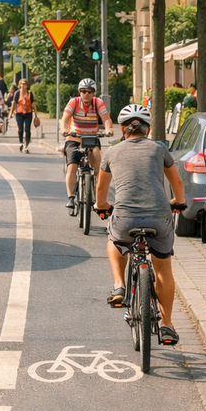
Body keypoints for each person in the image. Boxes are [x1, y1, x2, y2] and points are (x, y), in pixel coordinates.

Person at [94, 104, 185, 346]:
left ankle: (119, 285)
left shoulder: (112, 152)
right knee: (163, 268)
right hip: (159, 216)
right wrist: (179, 202)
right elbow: (176, 180)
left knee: (114, 239)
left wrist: (101, 207)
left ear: (123, 129)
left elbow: (101, 189)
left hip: (125, 217)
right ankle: (166, 325)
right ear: (148, 129)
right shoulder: (160, 148)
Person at [59, 78, 113, 215]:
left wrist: (109, 129)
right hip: (74, 137)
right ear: (79, 92)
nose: (86, 94)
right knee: (72, 167)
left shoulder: (97, 103)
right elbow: (64, 118)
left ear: (94, 93)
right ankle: (71, 197)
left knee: (97, 159)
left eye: (89, 91)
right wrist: (63, 129)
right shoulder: (74, 102)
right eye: (83, 91)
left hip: (91, 138)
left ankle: (97, 194)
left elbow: (106, 119)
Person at [6, 78, 39, 153]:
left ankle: (26, 146)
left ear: (27, 85)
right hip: (19, 113)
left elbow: (33, 104)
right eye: (22, 84)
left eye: (25, 84)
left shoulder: (30, 93)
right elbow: (14, 103)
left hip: (28, 113)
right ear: (19, 85)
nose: (23, 85)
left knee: (27, 129)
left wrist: (36, 116)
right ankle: (21, 142)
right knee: (20, 129)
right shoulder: (17, 93)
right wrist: (10, 114)